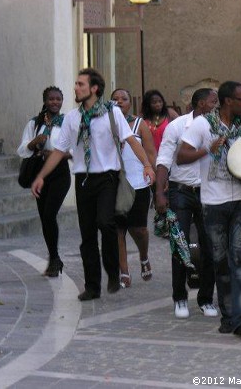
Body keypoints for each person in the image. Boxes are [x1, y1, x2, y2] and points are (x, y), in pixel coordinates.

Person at [31, 68, 156, 301]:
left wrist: (147, 165)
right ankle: (92, 286)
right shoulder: (72, 117)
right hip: (83, 180)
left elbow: (131, 140)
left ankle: (112, 270)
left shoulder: (112, 113)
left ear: (94, 89)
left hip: (107, 178)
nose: (76, 88)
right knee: (87, 234)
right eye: (76, 84)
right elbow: (60, 151)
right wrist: (41, 176)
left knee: (106, 223)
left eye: (80, 84)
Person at [177, 81, 241, 337]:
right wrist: (207, 149)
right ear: (228, 101)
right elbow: (181, 156)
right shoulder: (203, 125)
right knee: (221, 262)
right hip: (214, 204)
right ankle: (229, 316)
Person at [156, 88, 219, 319]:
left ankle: (206, 299)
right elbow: (163, 159)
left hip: (208, 191)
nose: (217, 105)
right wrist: (159, 194)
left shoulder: (217, 125)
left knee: (209, 245)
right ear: (201, 104)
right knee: (180, 244)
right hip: (180, 190)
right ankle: (180, 298)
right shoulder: (177, 126)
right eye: (213, 101)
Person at [17, 86, 71, 277]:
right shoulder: (35, 122)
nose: (55, 102)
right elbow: (23, 148)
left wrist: (56, 154)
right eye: (51, 99)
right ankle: (54, 259)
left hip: (60, 174)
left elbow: (75, 152)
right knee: (44, 217)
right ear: (45, 101)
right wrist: (34, 143)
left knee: (49, 214)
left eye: (58, 99)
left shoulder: (67, 123)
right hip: (39, 174)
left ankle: (55, 259)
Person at [111, 88, 156, 288]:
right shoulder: (106, 126)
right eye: (115, 99)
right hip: (115, 184)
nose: (119, 102)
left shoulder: (139, 125)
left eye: (124, 98)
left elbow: (151, 153)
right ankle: (124, 271)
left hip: (138, 183)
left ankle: (144, 256)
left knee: (140, 229)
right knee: (118, 230)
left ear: (131, 103)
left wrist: (154, 175)